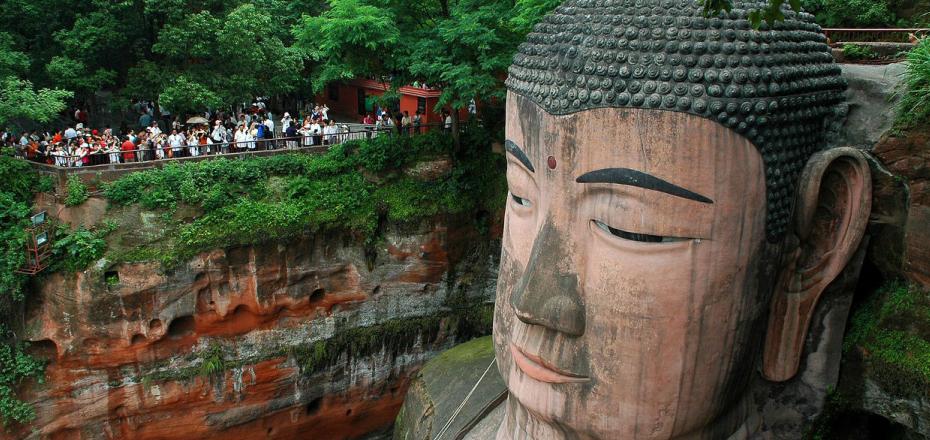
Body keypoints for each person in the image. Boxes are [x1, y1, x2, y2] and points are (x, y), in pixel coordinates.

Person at [405, 2, 871, 439]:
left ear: (813, 249)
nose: (532, 300)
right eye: (521, 196)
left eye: (630, 228)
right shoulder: (431, 399)